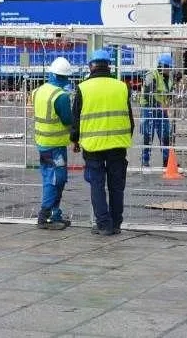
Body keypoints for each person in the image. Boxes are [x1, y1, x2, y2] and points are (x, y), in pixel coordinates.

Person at [70, 49, 134, 236]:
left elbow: (76, 119)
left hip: (93, 145)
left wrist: (75, 140)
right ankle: (116, 224)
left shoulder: (83, 88)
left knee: (97, 185)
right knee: (116, 186)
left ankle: (103, 224)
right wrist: (125, 136)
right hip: (117, 144)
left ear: (91, 65)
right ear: (109, 65)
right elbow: (129, 118)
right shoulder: (122, 87)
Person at [31, 57, 75, 230]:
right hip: (55, 146)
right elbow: (67, 120)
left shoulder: (37, 91)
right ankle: (45, 215)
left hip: (43, 143)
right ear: (64, 77)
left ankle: (54, 214)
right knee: (55, 179)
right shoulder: (61, 96)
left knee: (52, 178)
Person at [140, 53, 174, 168]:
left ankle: (167, 161)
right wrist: (161, 105)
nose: (170, 70)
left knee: (165, 135)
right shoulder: (151, 75)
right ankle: (145, 160)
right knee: (148, 135)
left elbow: (169, 94)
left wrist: (169, 102)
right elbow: (149, 94)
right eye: (169, 67)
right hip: (149, 109)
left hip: (162, 110)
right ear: (163, 66)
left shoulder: (168, 79)